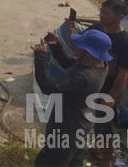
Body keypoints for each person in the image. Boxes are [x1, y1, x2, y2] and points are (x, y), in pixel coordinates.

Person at [73, 0, 128, 166]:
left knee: (105, 127)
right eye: (101, 11)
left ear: (120, 17)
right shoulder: (97, 28)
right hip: (91, 82)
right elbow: (80, 48)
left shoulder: (126, 43)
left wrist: (111, 96)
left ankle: (106, 161)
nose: (101, 15)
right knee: (89, 118)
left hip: (108, 88)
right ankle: (96, 149)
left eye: (106, 13)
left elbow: (123, 73)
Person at [33, 29, 110, 166]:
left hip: (68, 130)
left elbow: (47, 87)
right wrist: (57, 46)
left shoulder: (84, 77)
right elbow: (70, 63)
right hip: (80, 126)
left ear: (88, 52)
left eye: (80, 45)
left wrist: (41, 57)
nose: (75, 46)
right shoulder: (98, 64)